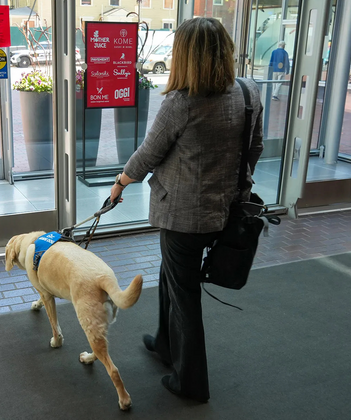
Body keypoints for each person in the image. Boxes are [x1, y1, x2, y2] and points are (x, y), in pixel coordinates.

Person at [109, 18, 263, 402]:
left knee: (185, 294)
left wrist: (120, 183)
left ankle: (191, 382)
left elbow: (149, 154)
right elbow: (255, 148)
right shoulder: (247, 93)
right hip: (226, 212)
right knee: (173, 276)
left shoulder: (181, 103)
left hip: (182, 218)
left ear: (184, 56)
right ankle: (165, 344)